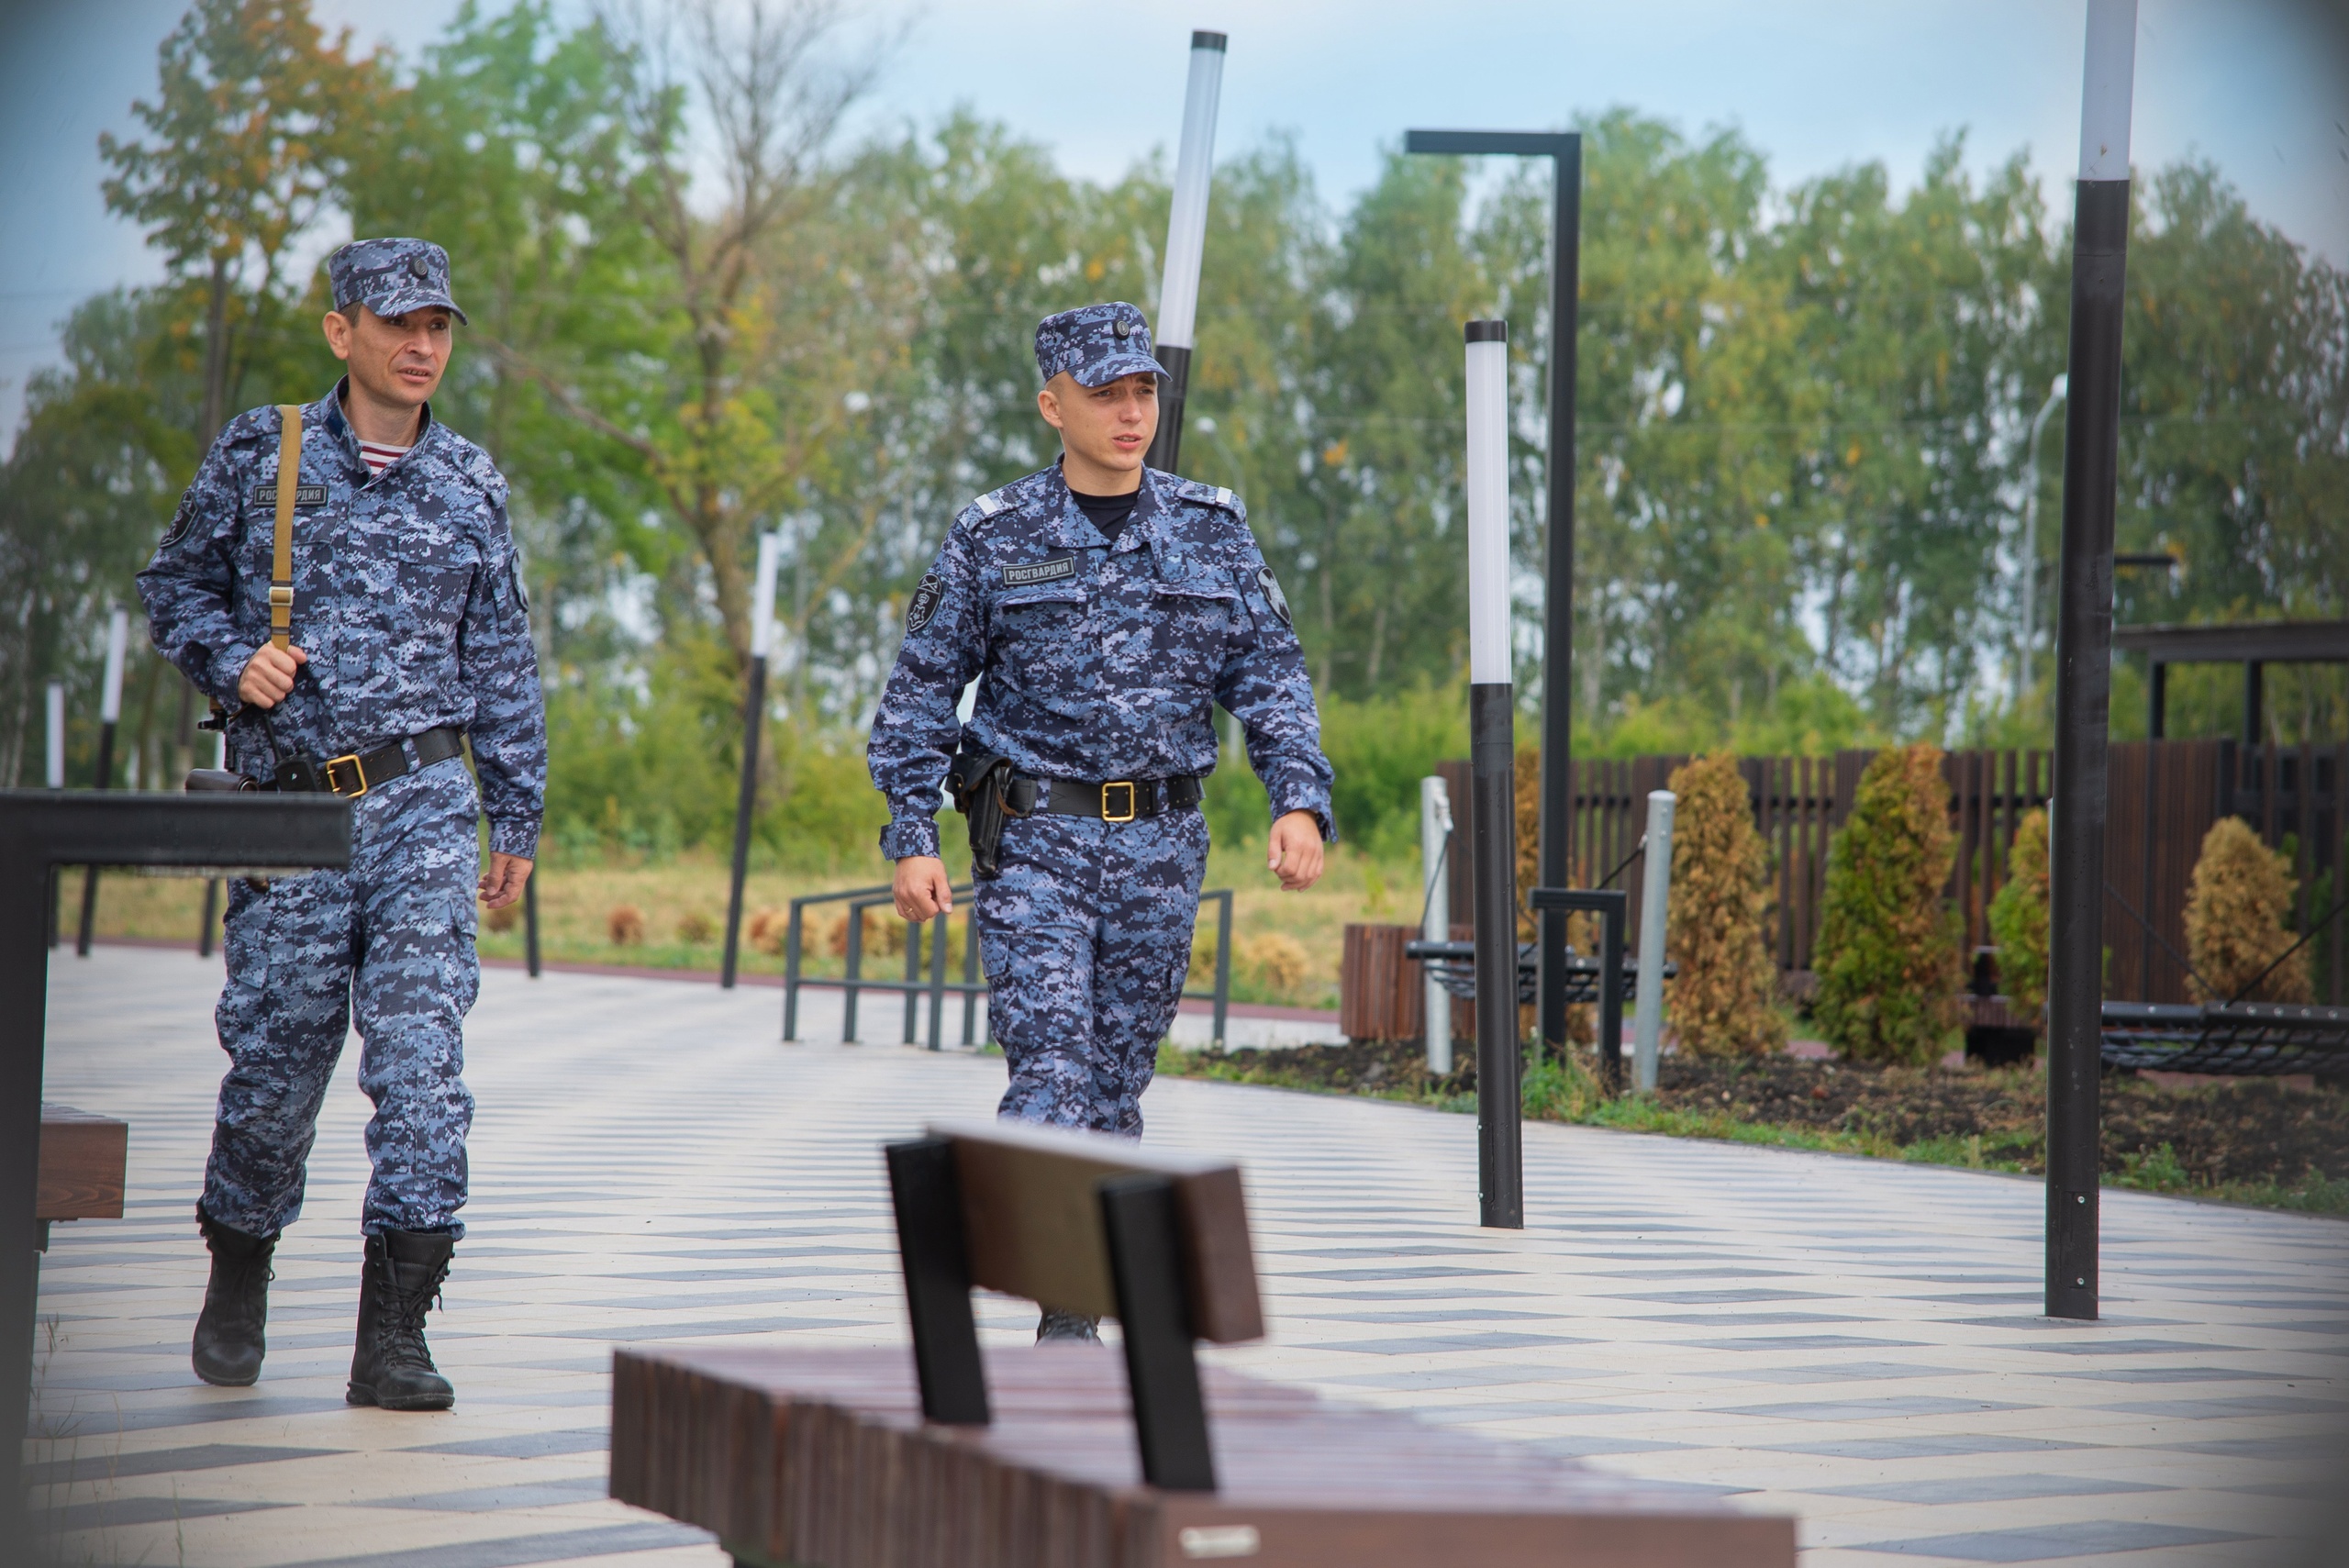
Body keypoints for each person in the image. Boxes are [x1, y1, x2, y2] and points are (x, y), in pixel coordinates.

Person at [868, 302, 1333, 1334]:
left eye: (1142, 392)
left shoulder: (1210, 528)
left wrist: (1298, 798)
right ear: (1052, 404)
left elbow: (1271, 675)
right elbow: (916, 695)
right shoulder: (994, 535)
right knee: (1051, 1071)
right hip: (1035, 839)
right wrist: (911, 834)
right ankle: (1058, 1311)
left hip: (1162, 847)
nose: (1130, 413)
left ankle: (1076, 1297)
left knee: (1117, 1086)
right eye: (1105, 393)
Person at [139, 237, 544, 1411]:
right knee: (274, 1069)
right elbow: (173, 583)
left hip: (425, 802)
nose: (424, 347)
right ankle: (239, 1269)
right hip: (294, 814)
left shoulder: (472, 482)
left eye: (440, 327)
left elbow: (503, 659)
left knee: (423, 1068)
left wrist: (515, 806)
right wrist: (230, 657)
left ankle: (397, 1335)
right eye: (399, 324)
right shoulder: (266, 452)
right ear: (342, 331)